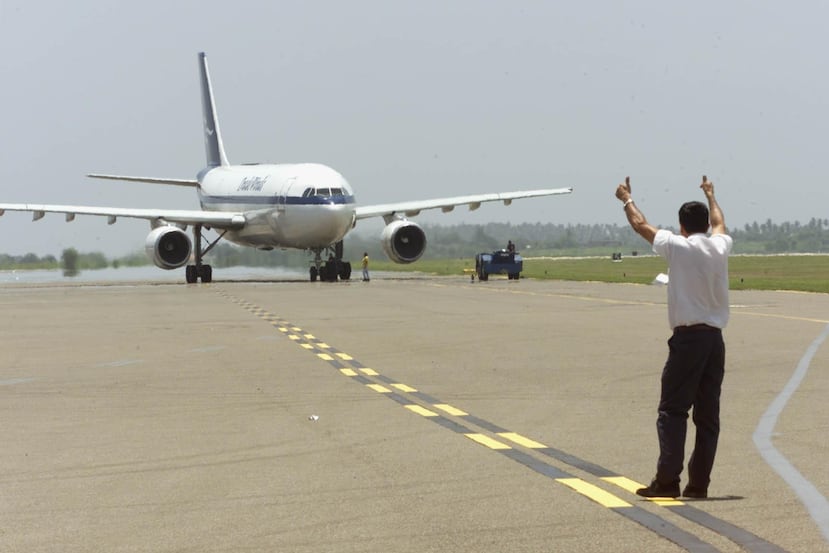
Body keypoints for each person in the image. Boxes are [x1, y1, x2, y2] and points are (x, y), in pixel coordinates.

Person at [615, 175, 732, 499]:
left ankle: (667, 481)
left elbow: (641, 225)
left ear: (682, 226)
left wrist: (626, 198)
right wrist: (711, 195)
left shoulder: (677, 246)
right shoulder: (720, 245)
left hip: (688, 339)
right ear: (705, 225)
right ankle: (699, 485)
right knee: (707, 417)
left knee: (673, 411)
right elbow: (721, 221)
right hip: (714, 340)